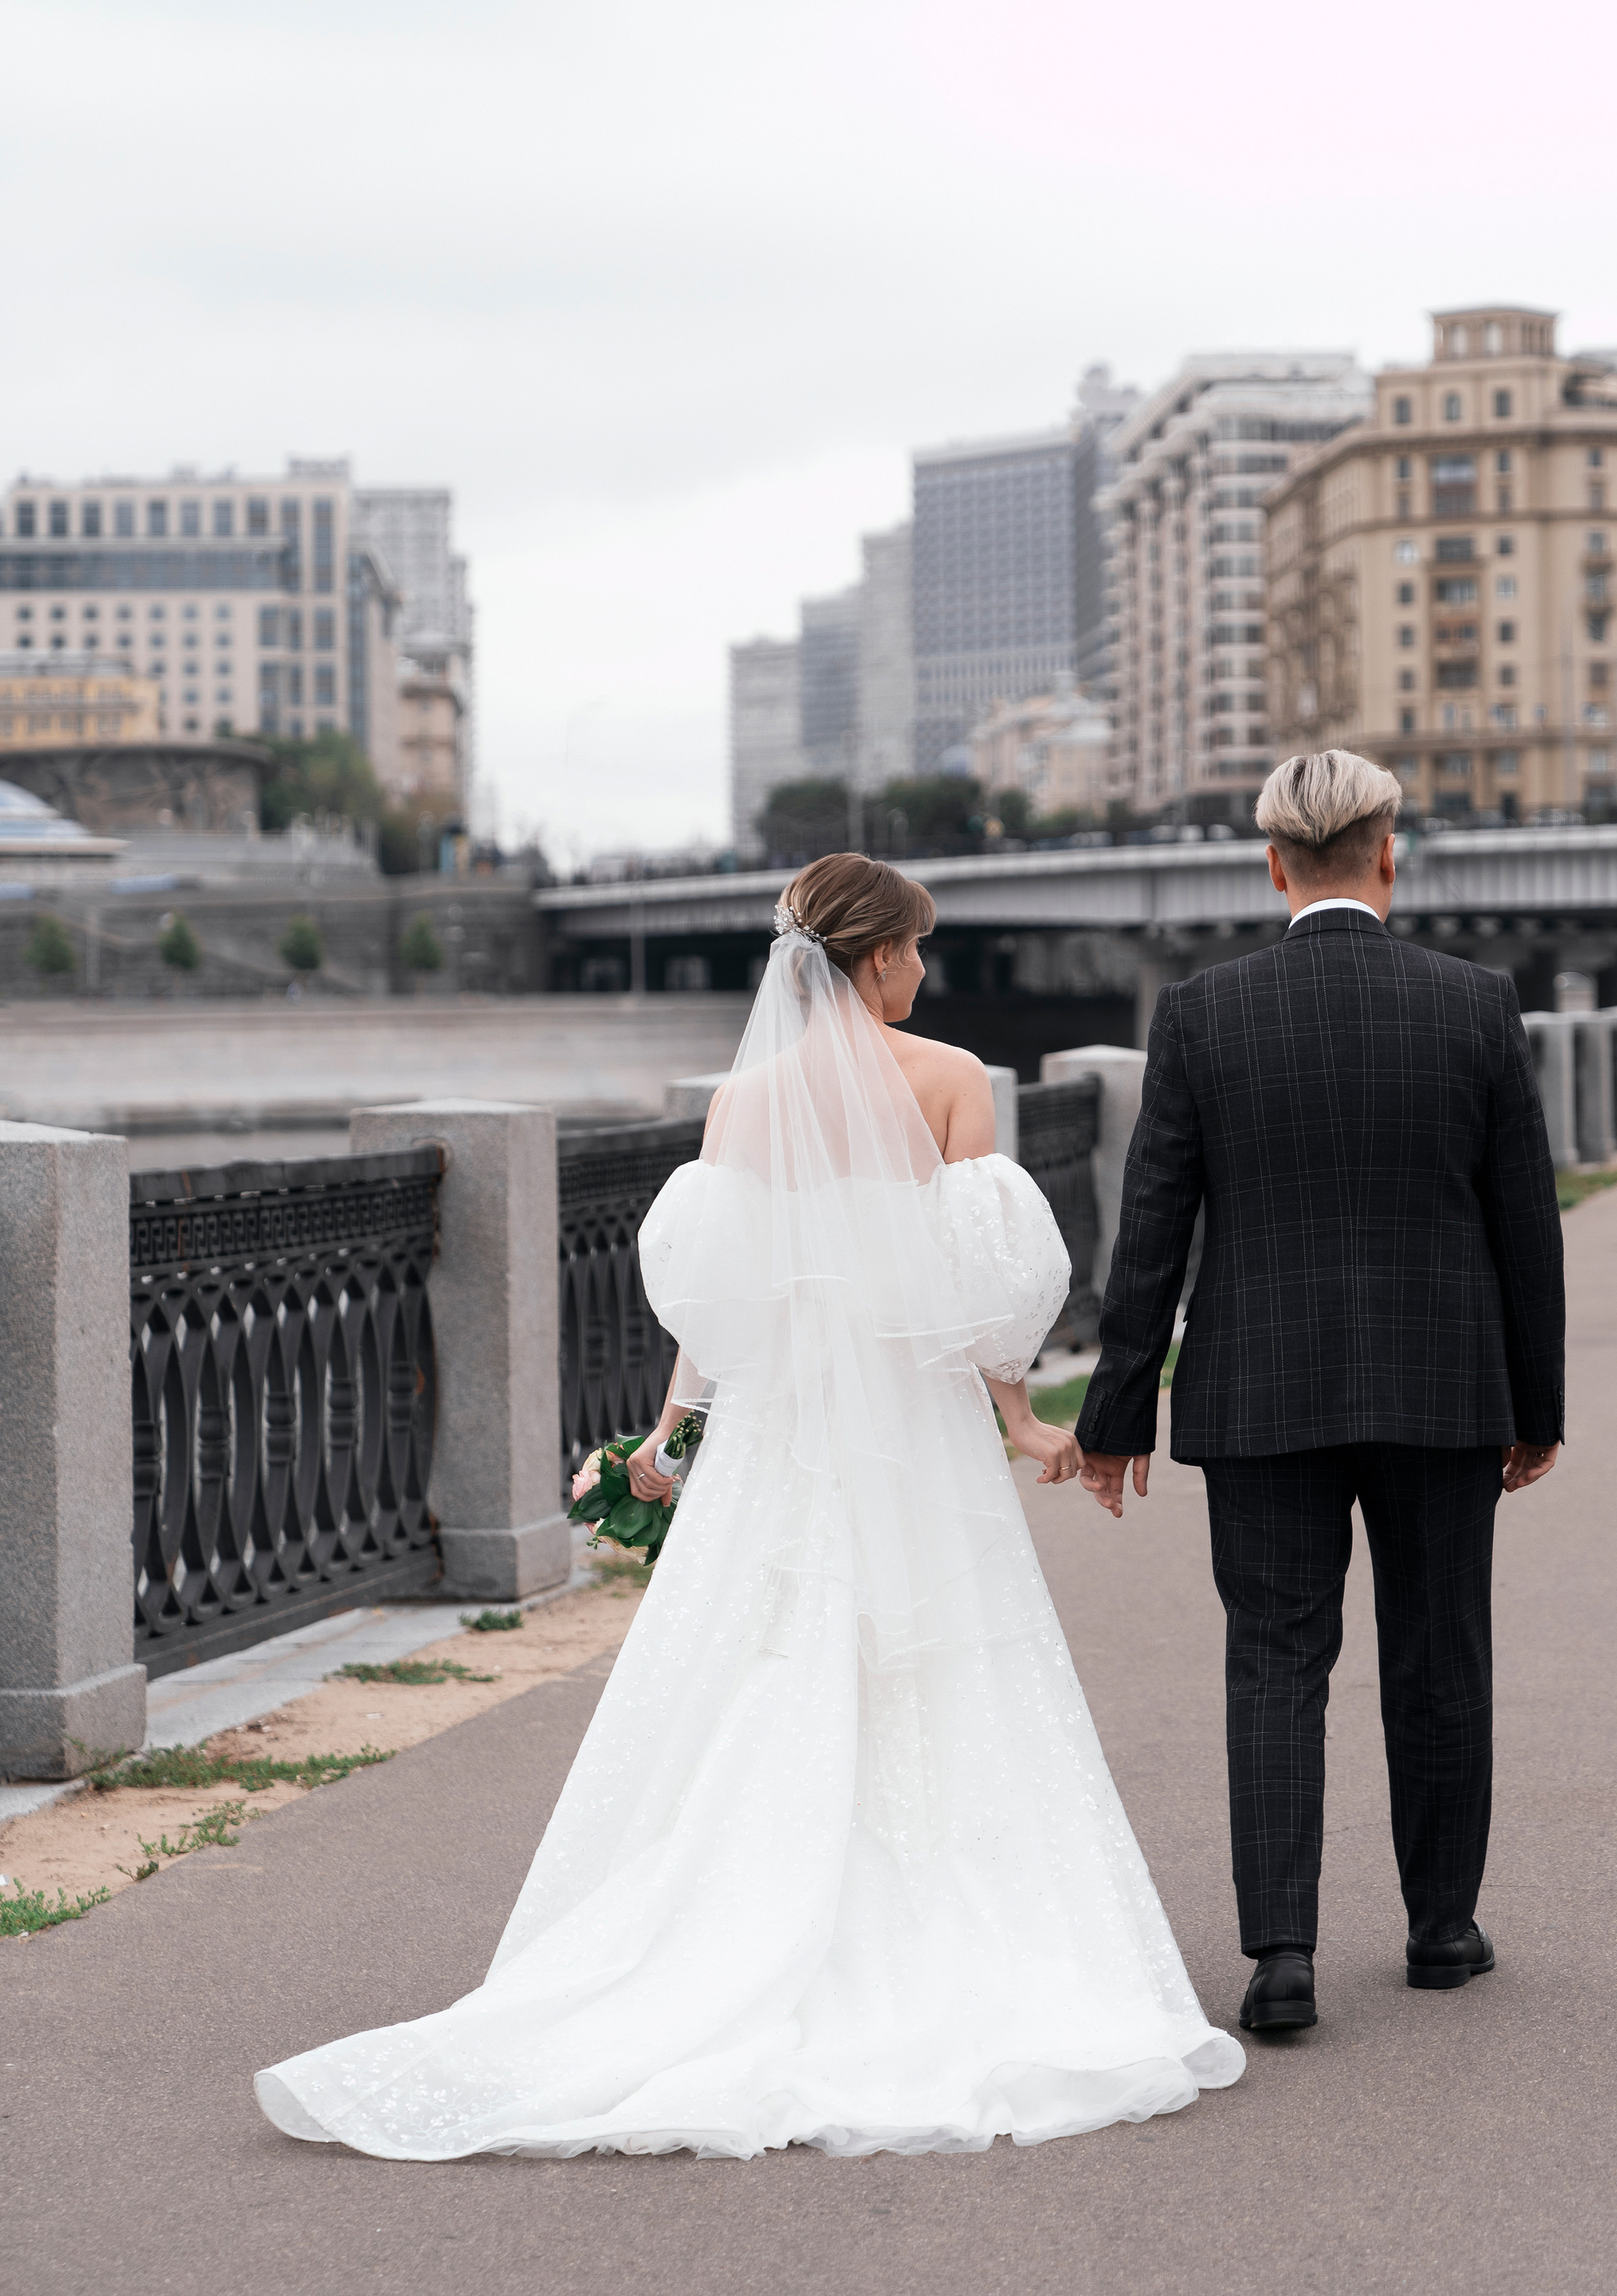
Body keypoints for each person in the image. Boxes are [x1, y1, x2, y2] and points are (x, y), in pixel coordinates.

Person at [255, 853, 1243, 2159]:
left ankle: (734, 1919)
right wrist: (1018, 1420)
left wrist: (675, 1433)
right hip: (912, 1426)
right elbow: (979, 1288)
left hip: (784, 1428)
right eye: (917, 947)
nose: (925, 968)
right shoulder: (951, 1078)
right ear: (876, 957)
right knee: (938, 1656)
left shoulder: (747, 1100)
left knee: (764, 1655)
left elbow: (718, 1297)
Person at [1076, 751, 1564, 2037]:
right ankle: (1441, 1930)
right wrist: (1538, 1406)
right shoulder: (1476, 1004)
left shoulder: (1202, 1012)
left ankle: (1281, 1957)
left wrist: (1117, 1415)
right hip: (1444, 1384)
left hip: (1260, 1387)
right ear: (1391, 852)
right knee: (1441, 1654)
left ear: (1273, 865)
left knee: (1275, 1662)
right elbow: (1527, 1225)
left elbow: (1152, 1230)